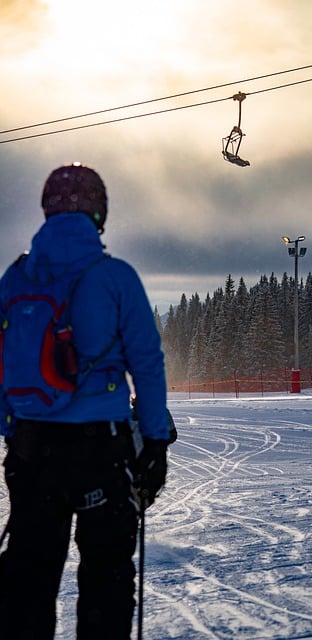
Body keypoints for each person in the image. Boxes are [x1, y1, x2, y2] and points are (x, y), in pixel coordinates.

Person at [0, 162, 169, 640]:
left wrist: (14, 429)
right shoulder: (114, 277)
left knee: (28, 576)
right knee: (106, 574)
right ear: (100, 214)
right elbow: (148, 366)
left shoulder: (15, 278)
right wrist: (155, 442)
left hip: (33, 450)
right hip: (102, 449)